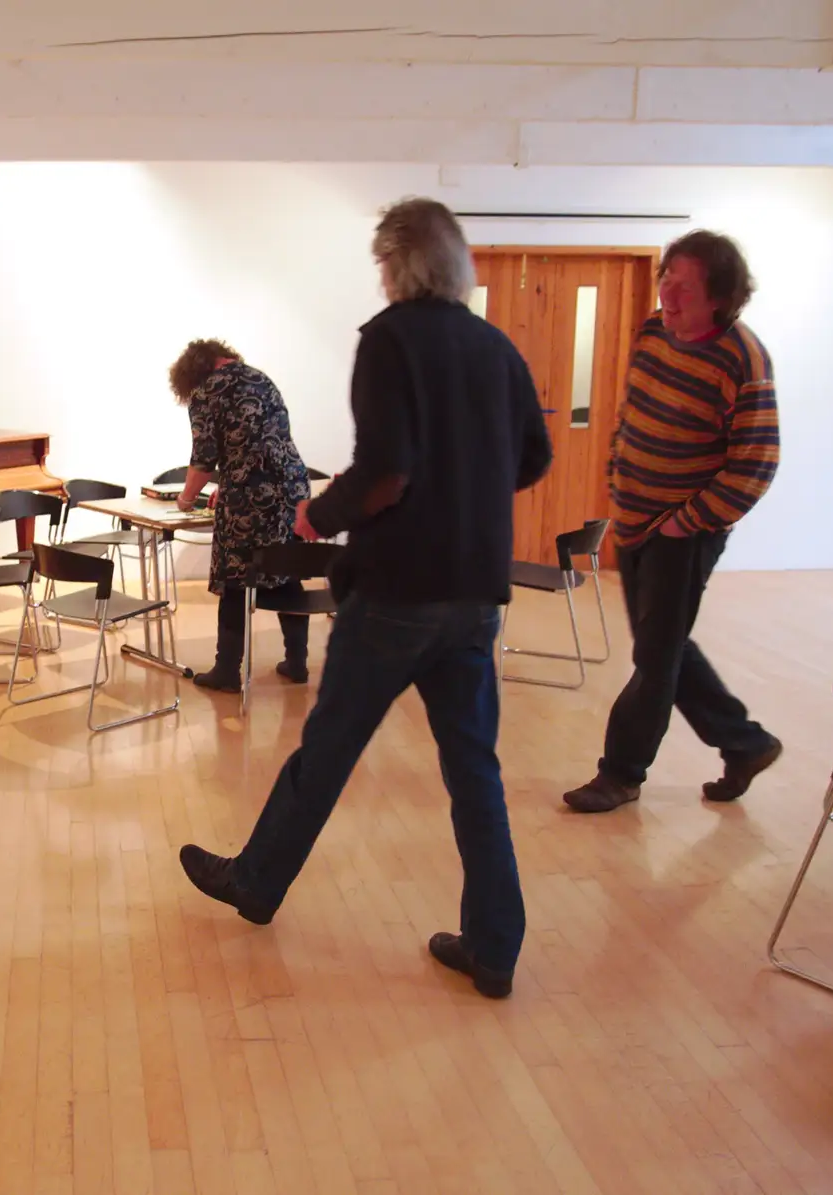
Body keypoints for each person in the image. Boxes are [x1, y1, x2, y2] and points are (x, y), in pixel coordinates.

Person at [177, 198, 552, 999]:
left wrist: (322, 512)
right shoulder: (496, 346)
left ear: (396, 261)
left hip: (399, 591)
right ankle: (495, 944)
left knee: (330, 750)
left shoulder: (390, 340)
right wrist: (469, 491)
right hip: (475, 596)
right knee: (473, 770)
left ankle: (257, 880)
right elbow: (533, 457)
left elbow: (387, 472)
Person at [563, 231, 782, 814]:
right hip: (635, 518)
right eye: (666, 280)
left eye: (684, 288)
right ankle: (745, 742)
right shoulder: (653, 331)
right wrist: (617, 471)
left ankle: (621, 773)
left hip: (683, 532)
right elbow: (632, 411)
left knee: (656, 659)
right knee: (664, 646)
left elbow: (757, 463)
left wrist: (687, 523)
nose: (669, 296)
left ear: (721, 297)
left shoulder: (744, 360)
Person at [167, 340, 314, 691]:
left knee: (236, 579)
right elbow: (263, 442)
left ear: (193, 371)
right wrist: (231, 478)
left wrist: (186, 499)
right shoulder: (261, 379)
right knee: (286, 570)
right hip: (293, 488)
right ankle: (297, 663)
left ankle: (227, 671)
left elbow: (204, 459)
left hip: (251, 499)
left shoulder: (207, 391)